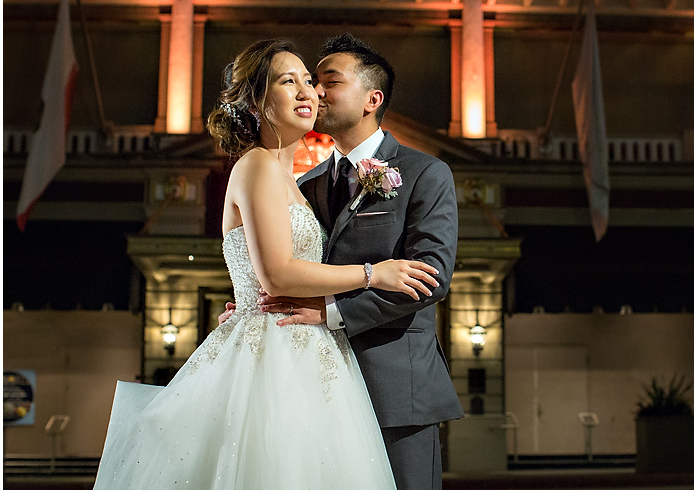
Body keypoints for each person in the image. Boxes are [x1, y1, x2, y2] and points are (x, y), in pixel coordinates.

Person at [94, 39, 441, 490]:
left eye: (310, 82)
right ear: (257, 102)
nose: (307, 92)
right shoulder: (256, 166)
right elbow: (276, 272)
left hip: (315, 352)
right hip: (272, 357)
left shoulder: (298, 180)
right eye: (288, 81)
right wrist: (376, 272)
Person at [220, 33, 464, 489]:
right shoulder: (303, 181)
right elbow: (277, 263)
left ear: (372, 99)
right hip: (311, 385)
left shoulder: (424, 173)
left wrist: (330, 313)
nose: (314, 92)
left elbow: (429, 279)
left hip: (396, 388)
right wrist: (250, 309)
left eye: (325, 81)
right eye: (305, 82)